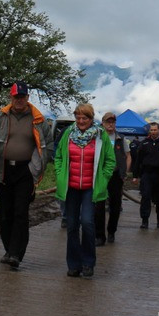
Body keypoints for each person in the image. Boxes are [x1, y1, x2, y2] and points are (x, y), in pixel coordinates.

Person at [0, 81, 47, 270]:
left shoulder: (38, 119)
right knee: (5, 213)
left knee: (20, 212)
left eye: (23, 97)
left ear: (27, 98)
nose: (19, 100)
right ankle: (8, 250)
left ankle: (16, 254)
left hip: (25, 171)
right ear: (11, 97)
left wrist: (38, 167)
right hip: (3, 170)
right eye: (16, 97)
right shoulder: (1, 116)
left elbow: (46, 144)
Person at [54, 103, 115, 278]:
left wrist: (103, 179)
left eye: (85, 118)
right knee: (72, 225)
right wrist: (60, 175)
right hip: (71, 187)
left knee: (87, 223)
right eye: (78, 117)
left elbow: (110, 161)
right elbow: (58, 156)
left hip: (91, 188)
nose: (81, 121)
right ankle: (74, 264)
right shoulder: (67, 134)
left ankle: (88, 263)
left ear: (91, 119)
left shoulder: (100, 136)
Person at [94, 112, 130, 245]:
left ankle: (111, 231)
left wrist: (124, 171)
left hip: (116, 175)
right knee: (99, 205)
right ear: (102, 123)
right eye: (108, 122)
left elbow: (128, 155)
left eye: (113, 122)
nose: (110, 124)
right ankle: (99, 235)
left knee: (115, 205)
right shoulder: (97, 137)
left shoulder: (121, 137)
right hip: (101, 174)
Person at [132, 122, 159, 228]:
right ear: (149, 131)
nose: (153, 132)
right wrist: (135, 176)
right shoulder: (144, 143)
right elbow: (138, 161)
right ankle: (144, 220)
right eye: (151, 130)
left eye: (155, 130)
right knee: (145, 197)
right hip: (147, 174)